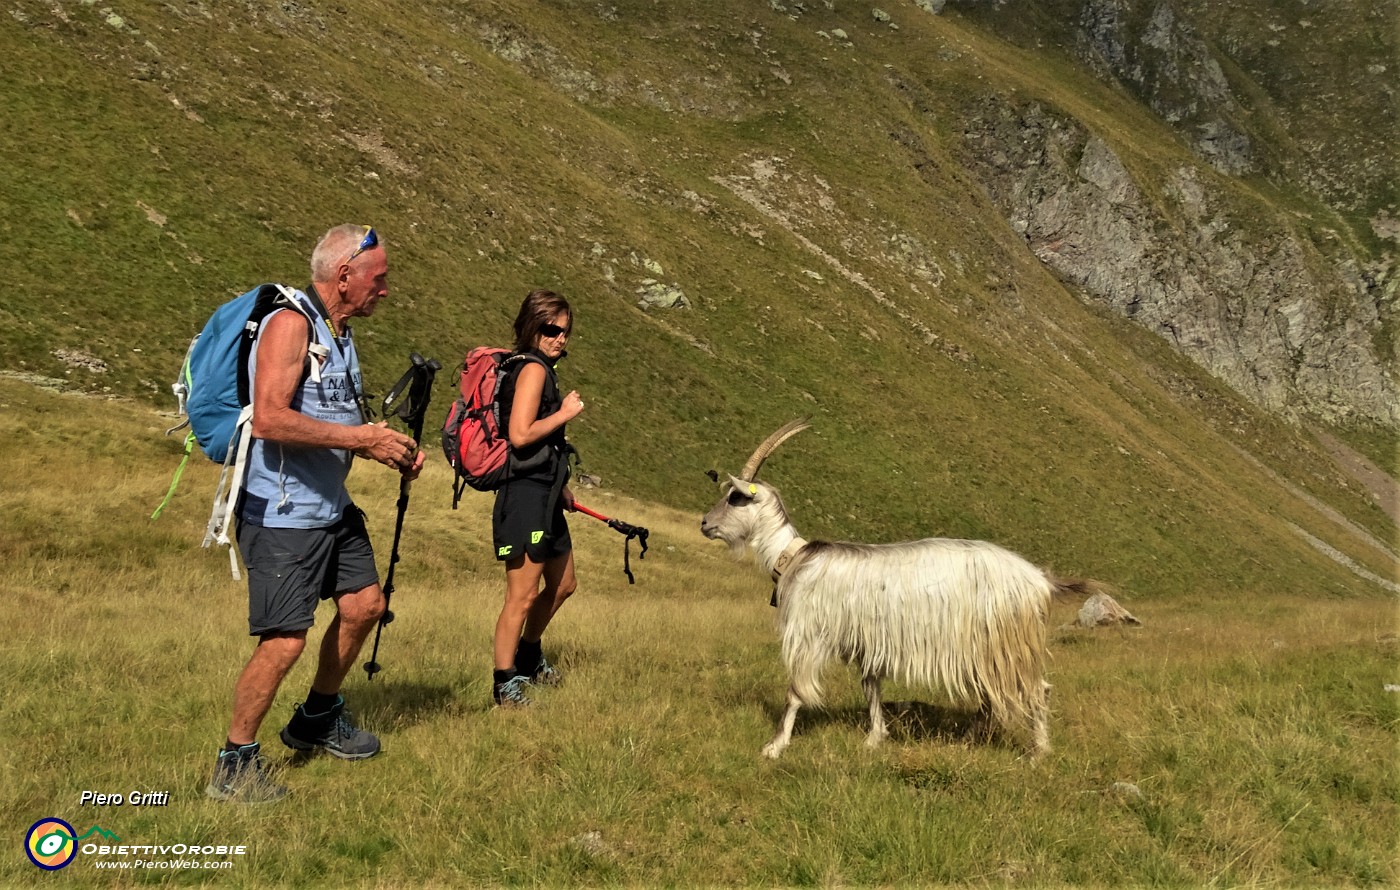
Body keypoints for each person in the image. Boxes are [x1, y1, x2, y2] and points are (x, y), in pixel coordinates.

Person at [206, 224, 425, 802]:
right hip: (283, 513)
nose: (385, 289)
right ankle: (234, 764)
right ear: (344, 275)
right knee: (284, 641)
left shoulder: (339, 331)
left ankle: (316, 718)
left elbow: (337, 421)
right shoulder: (290, 324)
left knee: (365, 605)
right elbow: (271, 419)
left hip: (329, 506)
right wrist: (361, 442)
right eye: (378, 279)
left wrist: (386, 447)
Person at [490, 289, 585, 708]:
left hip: (545, 492)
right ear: (532, 327)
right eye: (551, 329)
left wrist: (559, 484)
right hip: (524, 496)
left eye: (565, 331)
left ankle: (528, 655)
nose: (559, 337)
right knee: (522, 595)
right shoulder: (531, 370)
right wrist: (564, 413)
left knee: (564, 585)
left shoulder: (543, 368)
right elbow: (520, 434)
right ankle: (505, 682)